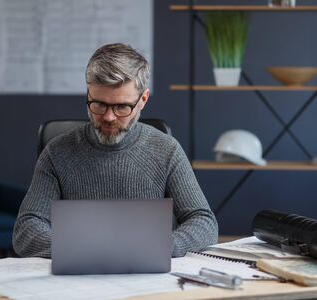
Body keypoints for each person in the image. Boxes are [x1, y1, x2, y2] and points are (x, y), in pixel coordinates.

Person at [13, 43, 218, 258]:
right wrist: (81, 248)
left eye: (122, 107)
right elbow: (26, 229)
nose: (109, 117)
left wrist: (164, 246)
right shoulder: (56, 153)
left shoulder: (167, 150)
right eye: (99, 104)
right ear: (88, 93)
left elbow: (203, 221)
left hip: (148, 275)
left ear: (143, 100)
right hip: (78, 273)